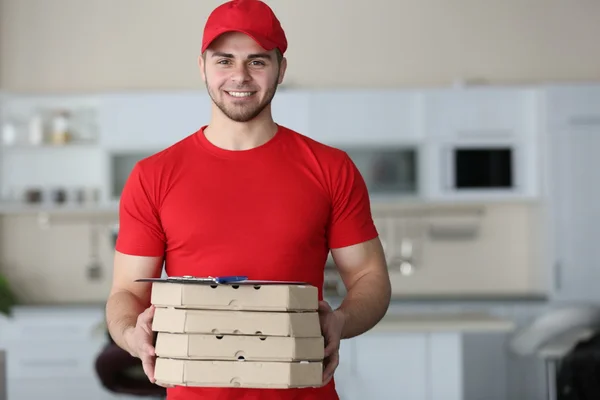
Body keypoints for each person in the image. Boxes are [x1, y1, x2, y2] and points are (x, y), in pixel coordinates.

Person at [105, 0, 392, 399]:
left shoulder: (331, 168)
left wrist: (342, 320)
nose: (240, 76)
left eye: (257, 61)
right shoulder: (153, 176)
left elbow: (370, 278)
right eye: (225, 60)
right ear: (202, 66)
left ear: (281, 69)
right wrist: (130, 334)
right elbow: (126, 293)